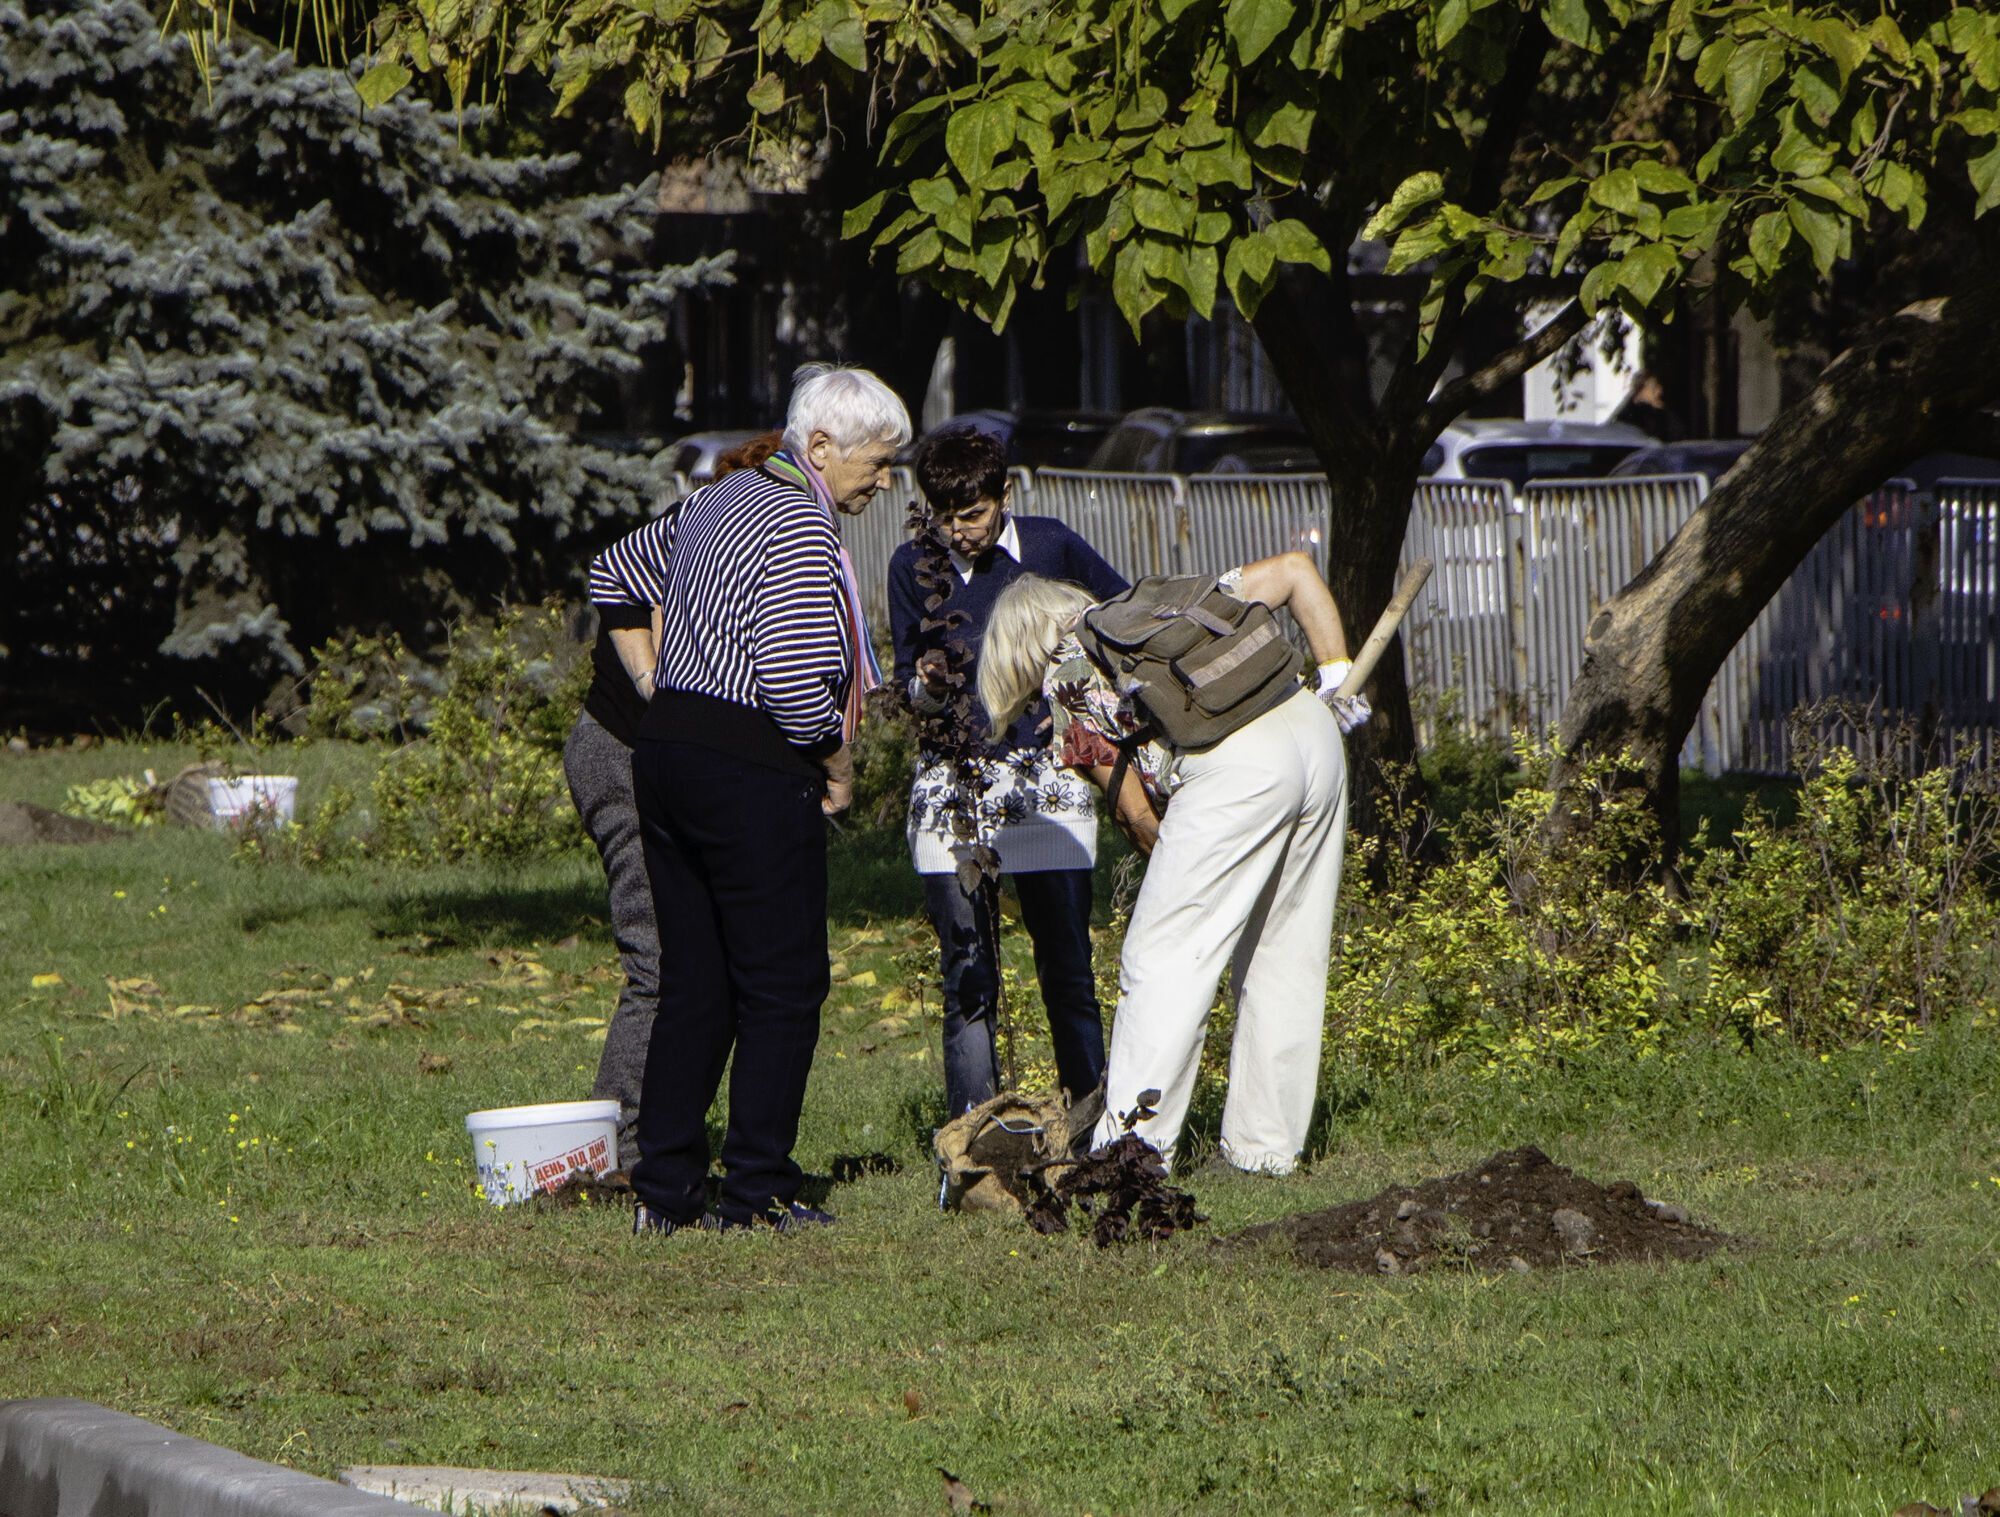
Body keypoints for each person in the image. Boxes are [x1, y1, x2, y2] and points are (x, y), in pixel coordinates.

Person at [592, 366, 910, 1234]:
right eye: (878, 463)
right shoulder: (803, 526)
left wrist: (662, 684)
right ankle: (757, 1188)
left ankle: (665, 1193)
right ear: (819, 448)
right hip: (748, 766)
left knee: (697, 980)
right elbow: (800, 685)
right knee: (783, 982)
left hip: (666, 756)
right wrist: (839, 766)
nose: (885, 483)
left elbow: (611, 571)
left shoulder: (711, 501)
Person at [977, 555, 1370, 1175]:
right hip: (1311, 731)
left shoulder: (1065, 675)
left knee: (1161, 959)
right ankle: (1262, 1153)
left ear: (1017, 651)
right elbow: (1297, 570)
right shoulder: (1160, 606)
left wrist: (1183, 864)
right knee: (1283, 951)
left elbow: (1137, 817)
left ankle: (1130, 1152)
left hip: (1236, 770)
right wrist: (1337, 678)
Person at [888, 426, 1129, 1117]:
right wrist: (929, 685)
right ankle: (977, 1142)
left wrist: (1087, 703)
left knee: (1067, 966)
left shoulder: (1052, 546)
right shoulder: (915, 567)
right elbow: (909, 687)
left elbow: (1117, 621)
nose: (959, 532)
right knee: (968, 975)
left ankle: (1090, 1121)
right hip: (956, 785)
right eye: (945, 517)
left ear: (1005, 495)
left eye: (973, 514)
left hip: (1047, 781)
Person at [565, 430, 782, 1170]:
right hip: (623, 758)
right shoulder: (685, 542)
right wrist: (655, 686)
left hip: (667, 761)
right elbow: (614, 582)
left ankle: (665, 1134)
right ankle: (623, 1152)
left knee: (701, 956)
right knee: (657, 957)